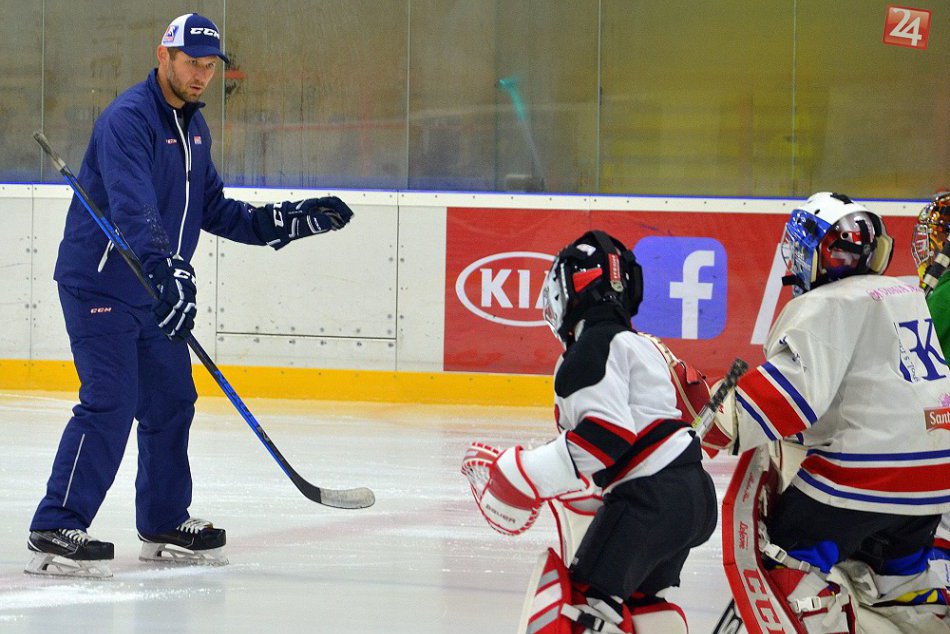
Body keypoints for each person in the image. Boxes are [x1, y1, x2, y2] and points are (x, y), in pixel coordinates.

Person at [26, 13, 354, 578]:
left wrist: (282, 222)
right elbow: (133, 210)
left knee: (172, 401)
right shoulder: (128, 121)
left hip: (155, 291)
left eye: (209, 66)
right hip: (101, 283)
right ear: (164, 57)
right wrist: (169, 270)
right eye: (191, 63)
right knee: (112, 400)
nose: (201, 75)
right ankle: (55, 523)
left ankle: (162, 519)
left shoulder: (193, 130)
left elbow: (214, 209)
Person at [705, 192, 950, 632]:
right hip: (937, 477)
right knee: (903, 581)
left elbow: (787, 396)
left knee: (784, 552)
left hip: (871, 474)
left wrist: (717, 422)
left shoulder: (825, 303)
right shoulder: (904, 290)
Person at [462, 230, 717, 634]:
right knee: (640, 603)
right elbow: (685, 409)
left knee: (581, 606)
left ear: (566, 288)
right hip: (695, 498)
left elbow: (606, 438)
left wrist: (522, 474)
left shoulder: (589, 348)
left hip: (648, 502)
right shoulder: (645, 345)